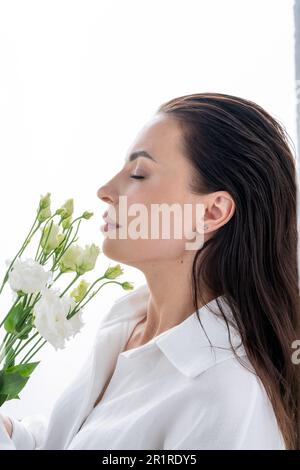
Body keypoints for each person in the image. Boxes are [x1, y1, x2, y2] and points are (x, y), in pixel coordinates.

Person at [1, 92, 299, 449]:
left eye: (139, 174)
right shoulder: (129, 320)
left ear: (212, 212)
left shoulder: (225, 392)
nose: (106, 191)